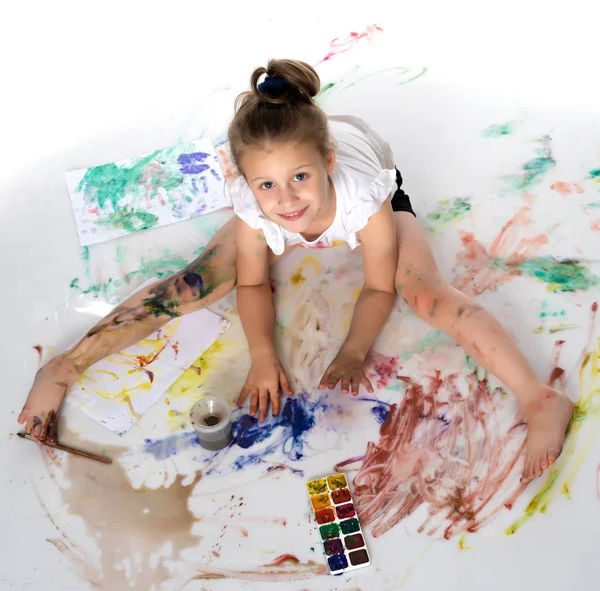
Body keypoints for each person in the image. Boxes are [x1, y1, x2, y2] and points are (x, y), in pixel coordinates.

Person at [18, 59, 573, 484]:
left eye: (300, 178)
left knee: (426, 294)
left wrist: (353, 350)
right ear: (246, 182)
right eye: (267, 185)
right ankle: (65, 368)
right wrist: (263, 355)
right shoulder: (261, 205)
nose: (286, 201)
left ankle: (538, 397)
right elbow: (253, 281)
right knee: (195, 283)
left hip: (367, 189)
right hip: (282, 173)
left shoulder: (364, 200)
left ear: (327, 162)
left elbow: (379, 285)